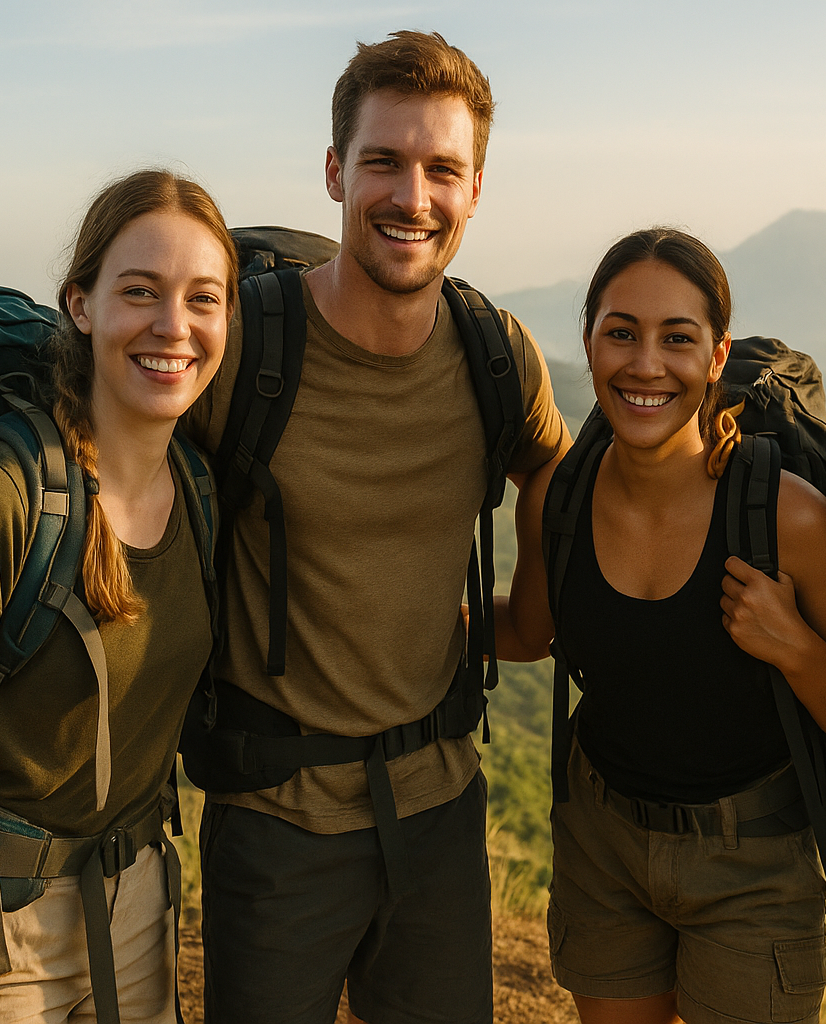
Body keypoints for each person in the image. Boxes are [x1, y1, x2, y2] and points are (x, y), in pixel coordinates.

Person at [185, 31, 568, 1024]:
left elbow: (554, 473)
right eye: (384, 162)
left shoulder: (496, 354)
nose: (413, 195)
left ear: (475, 187)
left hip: (440, 808)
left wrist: (521, 625)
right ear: (334, 172)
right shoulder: (245, 350)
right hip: (275, 816)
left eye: (442, 168)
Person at [0, 168, 235, 1024]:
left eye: (203, 299)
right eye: (139, 291)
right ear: (80, 304)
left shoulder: (200, 491)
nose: (173, 327)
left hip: (136, 913)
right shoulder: (0, 495)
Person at [499, 227, 826, 1024]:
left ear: (716, 359)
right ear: (589, 344)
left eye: (677, 339)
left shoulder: (788, 517)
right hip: (603, 842)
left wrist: (792, 645)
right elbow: (529, 632)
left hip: (754, 858)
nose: (646, 365)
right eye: (621, 334)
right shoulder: (560, 498)